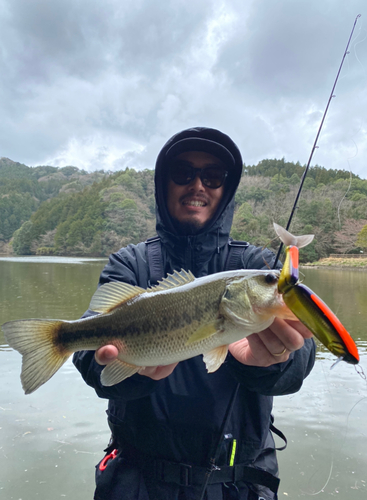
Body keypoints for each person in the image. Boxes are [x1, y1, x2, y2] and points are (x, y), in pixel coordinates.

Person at [73, 127, 316, 500]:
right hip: (139, 483)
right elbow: (92, 359)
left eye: (214, 176)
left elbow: (301, 360)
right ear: (163, 184)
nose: (199, 185)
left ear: (227, 189)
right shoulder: (130, 263)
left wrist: (275, 361)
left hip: (238, 484)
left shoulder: (258, 265)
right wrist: (133, 373)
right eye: (183, 173)